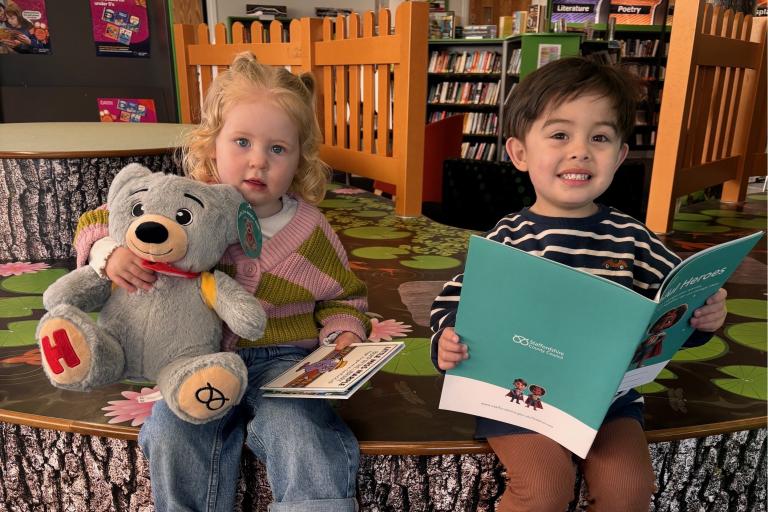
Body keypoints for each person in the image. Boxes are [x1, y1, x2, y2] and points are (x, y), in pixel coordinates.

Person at [74, 52, 371, 512]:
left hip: (284, 363)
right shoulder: (183, 201)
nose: (258, 162)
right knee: (171, 431)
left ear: (300, 159)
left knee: (298, 430)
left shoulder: (311, 230)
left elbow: (343, 298)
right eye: (242, 142)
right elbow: (100, 218)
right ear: (212, 145)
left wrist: (343, 334)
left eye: (278, 149)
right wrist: (107, 252)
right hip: (194, 358)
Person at [430, 57, 728, 512]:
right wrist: (445, 339)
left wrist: (704, 316)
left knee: (628, 489)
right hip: (518, 393)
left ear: (620, 156)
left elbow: (675, 304)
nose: (580, 151)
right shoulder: (507, 238)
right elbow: (454, 300)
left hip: (607, 399)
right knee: (544, 488)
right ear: (519, 153)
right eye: (559, 135)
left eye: (600, 138)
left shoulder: (633, 238)